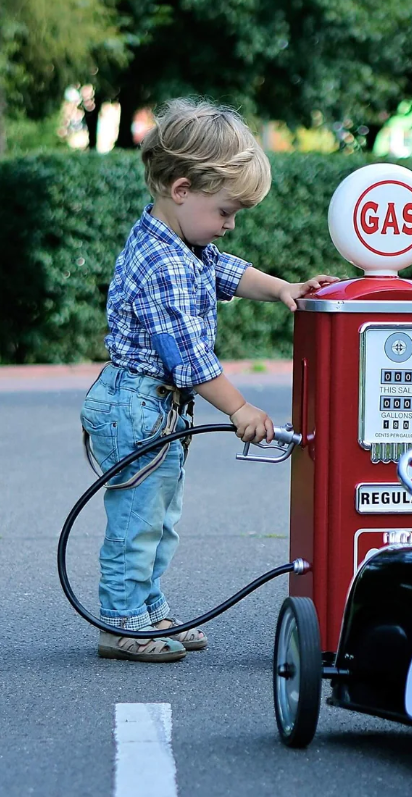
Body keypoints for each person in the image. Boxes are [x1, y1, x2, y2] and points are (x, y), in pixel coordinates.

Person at [81, 98, 337, 662]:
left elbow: (226, 269)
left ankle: (148, 608)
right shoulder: (164, 264)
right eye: (225, 211)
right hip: (139, 403)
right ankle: (121, 621)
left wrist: (282, 289)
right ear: (181, 190)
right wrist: (240, 408)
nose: (230, 224)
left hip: (158, 406)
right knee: (138, 516)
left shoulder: (186, 245)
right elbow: (190, 360)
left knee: (160, 514)